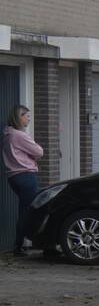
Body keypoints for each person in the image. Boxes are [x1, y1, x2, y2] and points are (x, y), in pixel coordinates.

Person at [3, 105, 43, 256]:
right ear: (19, 117)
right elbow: (39, 151)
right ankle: (21, 246)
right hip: (26, 176)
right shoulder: (19, 135)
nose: (29, 118)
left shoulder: (7, 135)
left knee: (24, 211)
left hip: (13, 177)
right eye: (26, 116)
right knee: (29, 212)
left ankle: (20, 244)